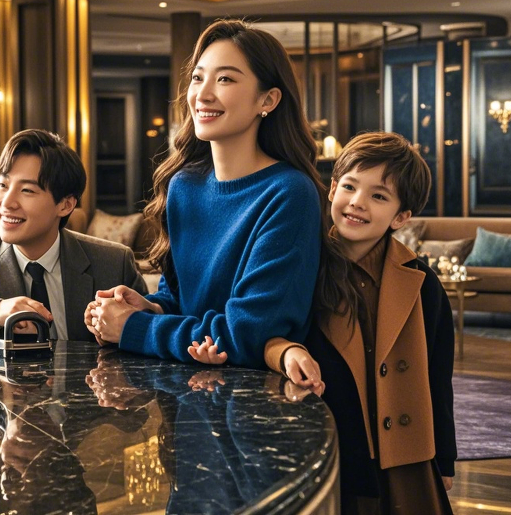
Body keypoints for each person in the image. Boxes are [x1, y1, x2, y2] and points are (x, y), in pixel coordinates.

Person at [201, 132, 457, 513]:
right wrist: (286, 349)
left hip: (405, 457)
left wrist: (445, 459)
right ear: (332, 189)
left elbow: (438, 376)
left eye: (379, 196)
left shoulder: (423, 282)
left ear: (401, 216)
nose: (357, 203)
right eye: (350, 187)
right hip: (331, 438)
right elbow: (266, 332)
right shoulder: (302, 261)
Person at [86, 19, 358, 368]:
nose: (203, 94)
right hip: (185, 398)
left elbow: (248, 335)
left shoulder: (289, 194)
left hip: (256, 401)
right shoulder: (183, 185)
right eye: (198, 77)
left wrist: (135, 327)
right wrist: (152, 306)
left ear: (269, 99)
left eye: (225, 78)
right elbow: (182, 296)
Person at [0, 129, 147, 341]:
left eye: (27, 190)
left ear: (65, 205)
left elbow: (148, 332)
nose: (7, 203)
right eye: (3, 185)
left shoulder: (113, 262)